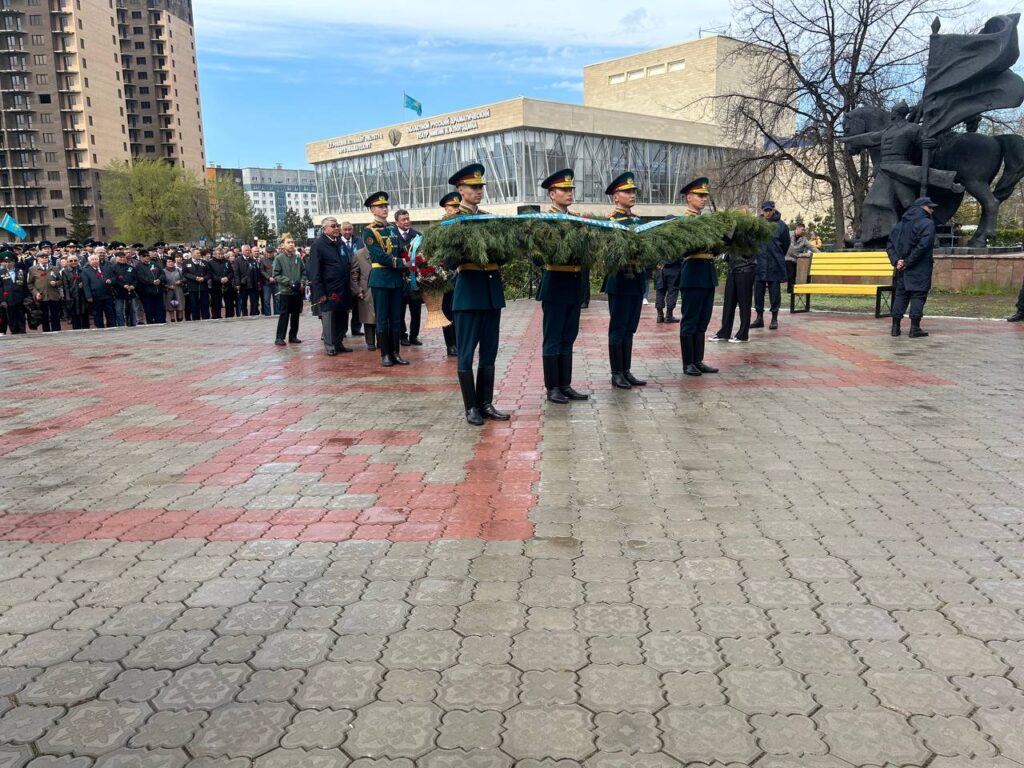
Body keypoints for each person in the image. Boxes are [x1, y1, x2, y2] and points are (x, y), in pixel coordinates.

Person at [445, 163, 510, 426]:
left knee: (490, 352)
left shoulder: (487, 217)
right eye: (473, 187)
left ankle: (485, 403)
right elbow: (449, 260)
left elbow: (503, 255)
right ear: (460, 189)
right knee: (466, 353)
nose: (478, 191)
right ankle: (471, 406)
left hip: (491, 293)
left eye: (480, 187)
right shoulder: (452, 222)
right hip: (469, 294)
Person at [537, 168, 589, 403]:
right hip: (556, 284)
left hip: (574, 284)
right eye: (564, 190)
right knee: (553, 337)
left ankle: (565, 384)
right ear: (552, 194)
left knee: (569, 336)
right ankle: (552, 388)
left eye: (571, 189)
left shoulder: (576, 219)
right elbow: (537, 257)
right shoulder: (544, 222)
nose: (569, 193)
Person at [604, 171, 647, 390]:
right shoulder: (611, 222)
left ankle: (626, 370)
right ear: (615, 197)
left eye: (633, 191)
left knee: (630, 328)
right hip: (620, 280)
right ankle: (616, 373)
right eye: (627, 191)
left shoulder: (638, 221)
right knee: (618, 327)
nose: (632, 195)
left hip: (637, 280)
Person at [676, 177, 720, 376]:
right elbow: (684, 249)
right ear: (688, 197)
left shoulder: (706, 221)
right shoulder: (684, 221)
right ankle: (688, 362)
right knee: (690, 320)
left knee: (703, 320)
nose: (703, 199)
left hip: (707, 274)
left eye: (705, 196)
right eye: (699, 196)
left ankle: (698, 359)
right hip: (693, 274)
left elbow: (715, 250)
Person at [363, 192, 410, 367]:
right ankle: (385, 354)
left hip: (396, 279)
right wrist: (402, 262)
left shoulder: (392, 228)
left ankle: (396, 352)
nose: (384, 209)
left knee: (397, 318)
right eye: (380, 207)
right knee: (382, 318)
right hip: (381, 279)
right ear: (372, 210)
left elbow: (400, 249)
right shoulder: (369, 230)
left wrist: (412, 256)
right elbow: (379, 255)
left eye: (385, 206)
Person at [888, 196, 937, 338]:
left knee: (901, 295)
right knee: (918, 295)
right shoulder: (927, 223)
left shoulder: (900, 224)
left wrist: (897, 261)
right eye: (930, 207)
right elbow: (923, 246)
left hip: (901, 268)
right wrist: (908, 262)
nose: (932, 210)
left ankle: (895, 328)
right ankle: (914, 328)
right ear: (922, 207)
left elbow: (890, 245)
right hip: (919, 267)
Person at [307, 216, 353, 356]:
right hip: (328, 290)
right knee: (329, 319)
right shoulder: (318, 245)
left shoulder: (340, 242)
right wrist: (320, 293)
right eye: (333, 226)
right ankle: (330, 344)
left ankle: (338, 343)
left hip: (343, 287)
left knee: (342, 318)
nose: (336, 228)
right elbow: (314, 271)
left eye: (337, 225)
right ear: (324, 229)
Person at [712, 207, 757, 344]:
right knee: (728, 303)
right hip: (733, 269)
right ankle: (724, 333)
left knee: (744, 304)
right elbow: (726, 245)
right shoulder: (733, 231)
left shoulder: (750, 231)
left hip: (745, 269)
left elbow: (751, 251)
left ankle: (743, 334)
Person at [753, 201, 790, 330]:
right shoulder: (757, 224)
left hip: (774, 264)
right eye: (765, 210)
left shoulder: (781, 226)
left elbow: (785, 244)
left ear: (773, 210)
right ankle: (759, 318)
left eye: (769, 210)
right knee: (758, 293)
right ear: (761, 211)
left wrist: (777, 255)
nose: (767, 213)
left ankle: (774, 318)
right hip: (759, 263)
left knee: (775, 293)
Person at [394, 209, 424, 347]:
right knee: (399, 310)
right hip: (399, 277)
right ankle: (402, 335)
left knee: (416, 309)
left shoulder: (417, 235)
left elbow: (424, 254)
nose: (406, 222)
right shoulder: (392, 236)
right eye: (403, 220)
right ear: (396, 222)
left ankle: (414, 335)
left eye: (407, 219)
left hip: (414, 279)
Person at [272, 234, 306, 345]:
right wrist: (289, 282)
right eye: (288, 242)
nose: (291, 244)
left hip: (296, 291)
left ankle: (293, 336)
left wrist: (302, 282)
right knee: (284, 314)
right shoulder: (279, 258)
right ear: (283, 245)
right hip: (285, 291)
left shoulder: (297, 258)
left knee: (296, 314)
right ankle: (279, 337)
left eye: (292, 242)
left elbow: (303, 272)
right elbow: (276, 274)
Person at [438, 192, 461, 357]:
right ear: (446, 208)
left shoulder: (462, 224)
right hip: (447, 276)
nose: (456, 209)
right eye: (453, 206)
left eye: (457, 206)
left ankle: (459, 342)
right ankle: (450, 344)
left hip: (462, 275)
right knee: (447, 311)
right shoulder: (441, 228)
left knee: (460, 311)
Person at [349, 240, 377, 350]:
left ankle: (382, 340)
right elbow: (354, 274)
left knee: (381, 316)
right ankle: (370, 342)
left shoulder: (381, 252)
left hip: (380, 288)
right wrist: (358, 290)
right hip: (366, 289)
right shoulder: (358, 254)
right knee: (368, 317)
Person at [27, 251, 62, 332]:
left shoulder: (54, 268)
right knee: (44, 316)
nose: (45, 259)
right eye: (42, 257)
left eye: (46, 257)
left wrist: (56, 283)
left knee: (55, 316)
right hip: (42, 296)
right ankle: (46, 332)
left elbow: (61, 281)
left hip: (53, 295)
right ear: (38, 259)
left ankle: (57, 331)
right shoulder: (33, 269)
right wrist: (36, 293)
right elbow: (30, 284)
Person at [339, 222, 362, 338]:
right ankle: (342, 330)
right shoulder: (337, 242)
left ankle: (356, 328)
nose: (347, 232)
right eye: (345, 230)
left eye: (349, 229)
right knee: (344, 306)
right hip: (343, 278)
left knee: (357, 305)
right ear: (341, 230)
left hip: (356, 277)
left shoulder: (359, 241)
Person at [82, 253, 116, 328]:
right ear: (89, 262)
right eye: (92, 260)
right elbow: (86, 285)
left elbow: (114, 278)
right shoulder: (86, 271)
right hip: (95, 296)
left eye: (96, 259)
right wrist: (88, 296)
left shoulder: (106, 268)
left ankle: (112, 327)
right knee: (98, 313)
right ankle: (99, 328)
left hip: (107, 294)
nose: (95, 261)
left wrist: (110, 280)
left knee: (110, 312)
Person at [785, 222, 818, 293]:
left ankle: (792, 290)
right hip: (786, 257)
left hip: (794, 259)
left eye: (804, 230)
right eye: (802, 229)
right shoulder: (788, 234)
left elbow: (812, 247)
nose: (803, 231)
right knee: (790, 272)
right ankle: (791, 290)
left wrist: (820, 255)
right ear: (797, 229)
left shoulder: (804, 239)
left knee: (793, 274)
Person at [1, 250, 27, 335]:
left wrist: (27, 298)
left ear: (14, 262)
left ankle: (22, 330)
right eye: (6, 262)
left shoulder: (20, 271)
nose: (8, 264)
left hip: (20, 298)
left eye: (10, 262)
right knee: (11, 317)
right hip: (8, 299)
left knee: (21, 316)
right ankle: (14, 332)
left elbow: (25, 286)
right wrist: (2, 300)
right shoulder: (1, 272)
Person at [61, 253, 90, 330]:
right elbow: (65, 286)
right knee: (75, 314)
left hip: (82, 294)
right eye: (71, 260)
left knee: (84, 313)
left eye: (75, 260)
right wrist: (67, 298)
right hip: (72, 295)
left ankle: (86, 328)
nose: (73, 262)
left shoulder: (82, 270)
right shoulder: (65, 271)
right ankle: (76, 329)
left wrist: (83, 284)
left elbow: (87, 282)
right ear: (67, 262)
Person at [110, 250, 139, 327]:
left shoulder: (130, 267)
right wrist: (123, 285)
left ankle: (133, 324)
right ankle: (121, 325)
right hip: (118, 292)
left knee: (132, 309)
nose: (122, 259)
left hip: (130, 291)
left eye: (123, 257)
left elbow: (136, 279)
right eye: (120, 257)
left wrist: (133, 285)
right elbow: (114, 279)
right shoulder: (112, 268)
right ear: (116, 258)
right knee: (119, 310)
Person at [136, 250, 166, 325]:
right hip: (147, 292)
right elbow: (141, 278)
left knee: (160, 308)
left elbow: (162, 273)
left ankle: (160, 321)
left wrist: (159, 279)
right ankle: (151, 322)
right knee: (149, 309)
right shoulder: (138, 267)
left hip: (158, 290)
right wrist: (152, 282)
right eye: (144, 256)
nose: (146, 257)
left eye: (147, 256)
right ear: (140, 257)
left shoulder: (155, 264)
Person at [181, 249, 210, 321]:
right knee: (194, 304)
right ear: (192, 254)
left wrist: (204, 278)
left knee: (205, 304)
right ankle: (195, 319)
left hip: (203, 287)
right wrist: (195, 278)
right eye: (197, 253)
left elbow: (209, 274)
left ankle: (206, 318)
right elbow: (185, 273)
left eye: (199, 253)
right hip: (192, 287)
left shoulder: (205, 263)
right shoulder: (186, 262)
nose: (199, 254)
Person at [233, 245, 260, 316]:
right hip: (243, 285)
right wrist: (237, 284)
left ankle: (253, 314)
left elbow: (256, 273)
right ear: (242, 251)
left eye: (249, 250)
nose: (248, 251)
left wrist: (257, 283)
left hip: (253, 285)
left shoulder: (253, 260)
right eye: (246, 250)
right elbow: (236, 273)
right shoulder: (237, 260)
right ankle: (244, 315)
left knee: (254, 302)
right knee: (243, 302)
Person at [207, 249, 232, 319]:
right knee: (216, 303)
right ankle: (216, 316)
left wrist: (227, 278)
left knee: (229, 302)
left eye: (222, 254)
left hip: (227, 284)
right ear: (214, 254)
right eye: (219, 254)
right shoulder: (210, 263)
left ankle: (229, 316)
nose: (220, 255)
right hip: (216, 285)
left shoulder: (227, 262)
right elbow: (210, 274)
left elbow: (231, 272)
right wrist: (219, 279)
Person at [163, 255, 185, 323]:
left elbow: (184, 279)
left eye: (172, 261)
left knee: (180, 306)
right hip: (169, 291)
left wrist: (180, 281)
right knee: (170, 307)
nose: (170, 263)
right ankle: (172, 319)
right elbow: (162, 282)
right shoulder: (163, 271)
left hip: (178, 290)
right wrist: (168, 286)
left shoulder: (178, 270)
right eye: (169, 262)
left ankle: (180, 319)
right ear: (166, 263)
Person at [259, 247, 279, 316]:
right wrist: (268, 277)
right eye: (268, 252)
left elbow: (280, 269)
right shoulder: (262, 260)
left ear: (274, 252)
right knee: (266, 300)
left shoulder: (277, 259)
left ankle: (277, 314)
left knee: (277, 299)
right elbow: (262, 270)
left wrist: (275, 277)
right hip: (266, 283)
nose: (269, 254)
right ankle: (268, 315)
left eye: (271, 252)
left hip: (276, 282)